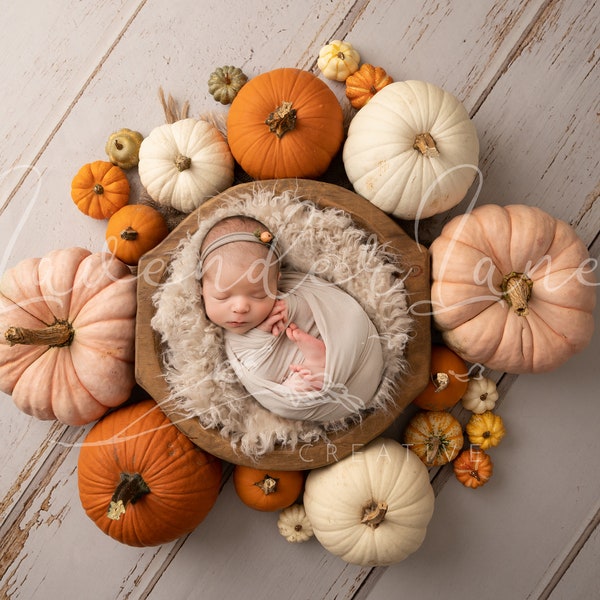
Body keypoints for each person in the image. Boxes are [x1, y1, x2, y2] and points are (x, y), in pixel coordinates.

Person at [197, 215, 385, 423]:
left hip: (352, 363)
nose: (240, 307)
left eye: (259, 295)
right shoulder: (212, 336)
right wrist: (259, 335)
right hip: (292, 385)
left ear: (276, 283)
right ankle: (314, 369)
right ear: (202, 289)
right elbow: (251, 370)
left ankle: (319, 362)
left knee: (332, 319)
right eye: (222, 296)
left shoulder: (287, 294)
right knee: (268, 378)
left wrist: (291, 308)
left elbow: (325, 303)